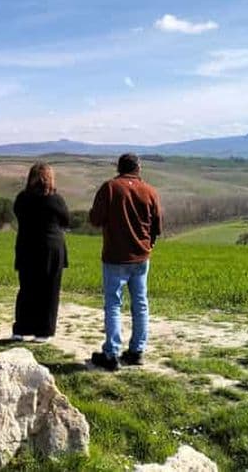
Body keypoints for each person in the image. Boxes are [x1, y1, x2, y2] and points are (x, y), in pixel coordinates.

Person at [89, 153, 162, 371]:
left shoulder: (110, 188)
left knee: (113, 303)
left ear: (119, 168)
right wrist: (149, 245)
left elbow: (95, 220)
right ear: (138, 168)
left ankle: (111, 354)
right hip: (141, 256)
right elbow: (157, 226)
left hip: (114, 256)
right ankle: (137, 351)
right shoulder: (150, 191)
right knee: (140, 304)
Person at [11, 162, 70, 343]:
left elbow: (18, 214)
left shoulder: (22, 198)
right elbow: (66, 220)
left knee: (27, 289)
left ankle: (21, 329)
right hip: (51, 247)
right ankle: (43, 331)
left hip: (27, 246)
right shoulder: (55, 199)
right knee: (49, 291)